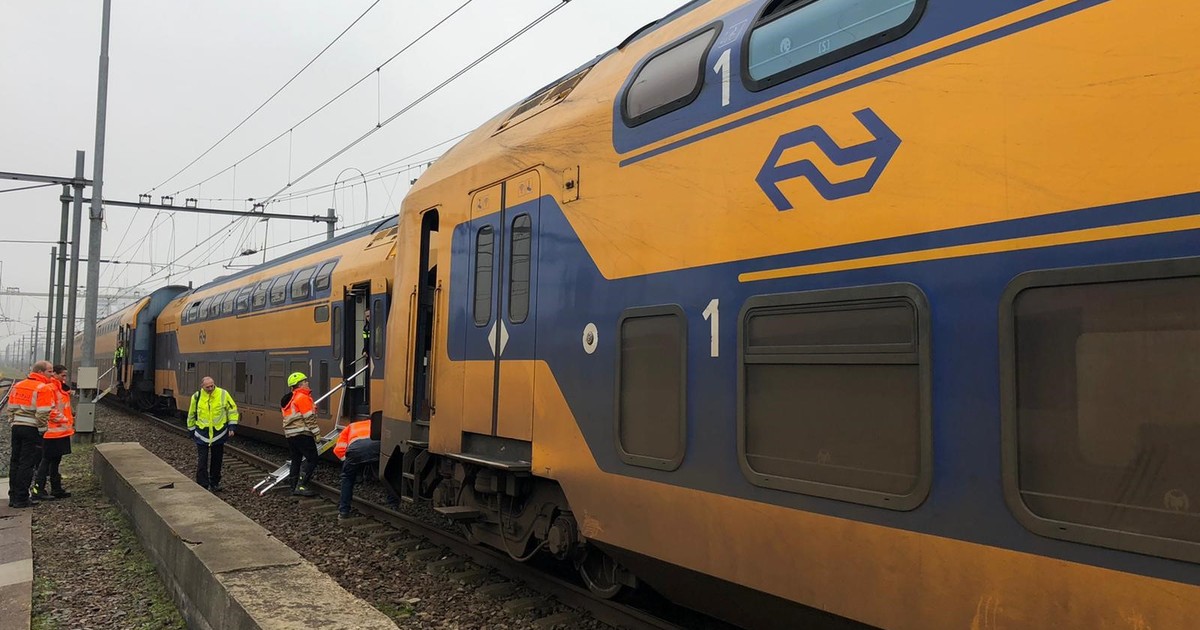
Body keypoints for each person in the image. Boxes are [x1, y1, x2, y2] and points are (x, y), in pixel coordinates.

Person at [7, 361, 55, 509]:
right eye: (49, 371)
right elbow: (42, 413)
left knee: (15, 461)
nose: (52, 375)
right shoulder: (43, 388)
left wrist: (13, 423)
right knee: (26, 463)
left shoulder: (19, 385)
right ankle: (22, 498)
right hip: (31, 429)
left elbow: (11, 409)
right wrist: (42, 430)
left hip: (17, 427)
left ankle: (13, 496)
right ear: (40, 372)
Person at [333, 419, 396, 519]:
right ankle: (394, 504)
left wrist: (348, 461)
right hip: (377, 448)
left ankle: (344, 511)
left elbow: (339, 449)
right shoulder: (377, 423)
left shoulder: (351, 426)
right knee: (388, 475)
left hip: (356, 450)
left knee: (347, 478)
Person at [187, 376, 239, 492]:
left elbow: (232, 410)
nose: (210, 388)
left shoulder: (223, 394)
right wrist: (191, 430)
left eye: (212, 386)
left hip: (219, 433)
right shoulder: (196, 397)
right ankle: (202, 484)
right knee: (202, 460)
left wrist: (232, 426)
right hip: (202, 433)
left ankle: (215, 483)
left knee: (217, 460)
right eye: (207, 387)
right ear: (202, 386)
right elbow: (191, 414)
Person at [32, 364, 74, 501]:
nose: (65, 378)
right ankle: (38, 490)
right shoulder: (50, 388)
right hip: (52, 432)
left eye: (65, 375)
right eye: (62, 375)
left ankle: (56, 489)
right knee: (46, 460)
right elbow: (49, 410)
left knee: (55, 460)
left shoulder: (59, 389)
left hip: (61, 431)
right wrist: (65, 420)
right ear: (54, 374)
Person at [281, 372, 319, 497]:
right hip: (302, 433)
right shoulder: (302, 397)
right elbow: (309, 418)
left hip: (290, 435)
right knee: (312, 459)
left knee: (296, 460)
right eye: (305, 381)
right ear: (300, 384)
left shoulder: (290, 399)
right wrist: (316, 433)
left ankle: (293, 486)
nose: (307, 382)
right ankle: (301, 486)